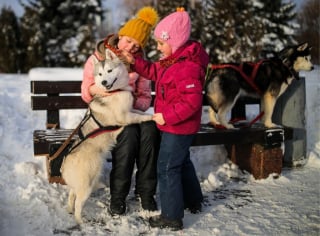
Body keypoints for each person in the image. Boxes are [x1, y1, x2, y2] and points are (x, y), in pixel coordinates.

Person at [122, 7, 209, 230]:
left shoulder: (186, 67)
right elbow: (152, 70)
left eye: (161, 43)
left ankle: (171, 217)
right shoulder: (171, 60)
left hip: (177, 126)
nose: (158, 47)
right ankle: (194, 200)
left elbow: (191, 102)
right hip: (174, 126)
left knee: (167, 167)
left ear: (175, 42)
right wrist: (133, 62)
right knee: (183, 161)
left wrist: (165, 116)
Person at [81, 6, 160, 216]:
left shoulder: (140, 64)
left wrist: (131, 106)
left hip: (129, 112)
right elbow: (85, 91)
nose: (132, 46)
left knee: (151, 131)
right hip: (107, 117)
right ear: (121, 35)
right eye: (129, 40)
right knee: (129, 135)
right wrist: (97, 89)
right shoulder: (98, 57)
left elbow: (145, 96)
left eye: (137, 44)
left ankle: (146, 192)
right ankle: (118, 196)